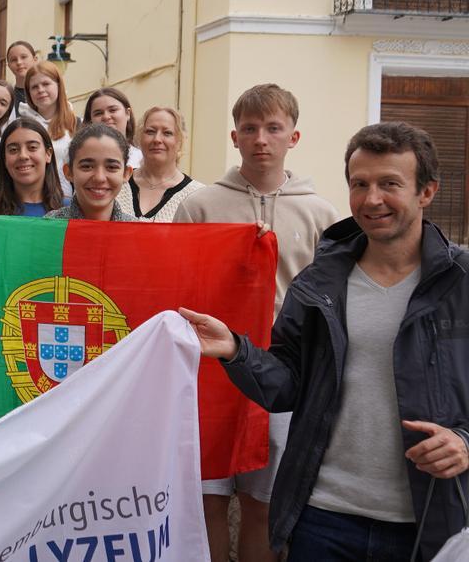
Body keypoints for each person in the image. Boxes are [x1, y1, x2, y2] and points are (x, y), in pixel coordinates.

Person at [180, 121, 469, 561]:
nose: (372, 199)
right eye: (360, 184)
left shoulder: (461, 282)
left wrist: (465, 441)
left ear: (426, 192)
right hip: (323, 518)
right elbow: (287, 385)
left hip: (430, 523)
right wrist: (236, 351)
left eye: (389, 183)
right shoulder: (320, 281)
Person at [174, 83, 339, 562]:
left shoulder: (320, 213)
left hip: (282, 375)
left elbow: (328, 299)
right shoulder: (200, 206)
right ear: (234, 136)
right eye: (250, 129)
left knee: (263, 504)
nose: (261, 138)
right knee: (208, 499)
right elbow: (181, 282)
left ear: (295, 136)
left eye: (273, 128)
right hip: (211, 375)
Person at [116, 106, 204, 222]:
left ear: (179, 141)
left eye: (167, 133)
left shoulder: (196, 195)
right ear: (140, 138)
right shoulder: (118, 184)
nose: (157, 139)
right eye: (150, 132)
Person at [45, 124, 135, 221]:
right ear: (69, 172)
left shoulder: (138, 231)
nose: (99, 178)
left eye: (111, 167)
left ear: (126, 174)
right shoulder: (48, 227)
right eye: (87, 166)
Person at [0, 117, 67, 217]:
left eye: (32, 147)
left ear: (48, 154)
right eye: (13, 149)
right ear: (4, 158)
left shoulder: (71, 212)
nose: (23, 156)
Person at [21, 61, 76, 195]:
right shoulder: (21, 126)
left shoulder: (76, 123)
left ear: (58, 85)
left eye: (46, 84)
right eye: (34, 87)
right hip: (30, 198)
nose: (40, 90)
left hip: (66, 199)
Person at [85, 87, 141, 168]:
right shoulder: (81, 158)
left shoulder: (143, 159)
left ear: (128, 113)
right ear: (90, 120)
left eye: (113, 110)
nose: (106, 117)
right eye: (98, 113)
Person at [5, 40, 38, 109]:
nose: (19, 62)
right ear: (9, 66)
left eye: (23, 57)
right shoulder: (7, 98)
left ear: (35, 59)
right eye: (13, 60)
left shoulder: (46, 93)